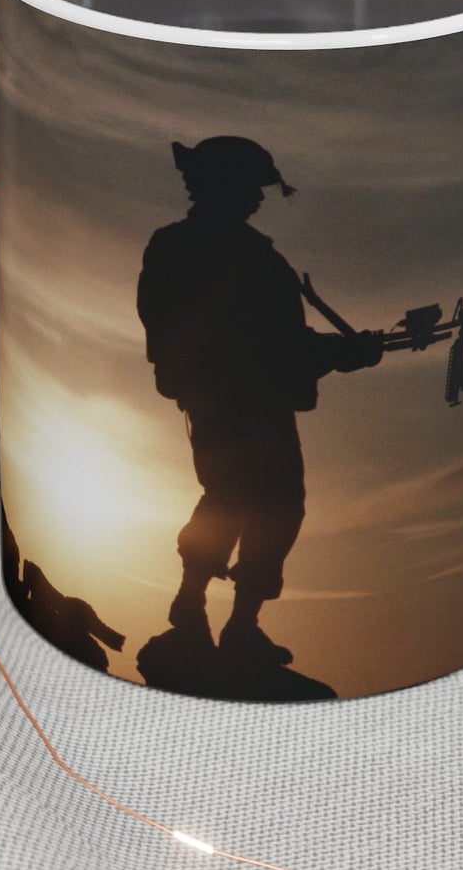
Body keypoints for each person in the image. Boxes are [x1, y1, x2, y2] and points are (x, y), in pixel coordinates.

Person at [137, 135, 382, 670]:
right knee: (244, 497)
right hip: (234, 401)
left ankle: (223, 616)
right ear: (222, 187)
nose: (259, 199)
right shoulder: (224, 255)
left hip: (244, 400)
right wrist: (340, 354)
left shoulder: (217, 251)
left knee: (262, 502)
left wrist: (338, 353)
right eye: (251, 188)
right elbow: (263, 342)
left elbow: (276, 342)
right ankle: (210, 613)